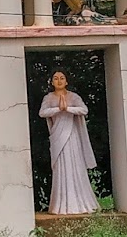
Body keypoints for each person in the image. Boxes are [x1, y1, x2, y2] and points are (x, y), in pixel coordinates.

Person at [38, 71, 99, 214]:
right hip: (57, 137)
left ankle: (80, 203)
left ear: (66, 81)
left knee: (75, 165)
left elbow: (84, 110)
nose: (59, 81)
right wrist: (58, 109)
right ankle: (60, 205)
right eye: (56, 78)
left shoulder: (73, 97)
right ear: (52, 82)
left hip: (72, 136)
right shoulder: (49, 98)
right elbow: (42, 112)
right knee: (60, 167)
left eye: (62, 78)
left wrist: (68, 108)